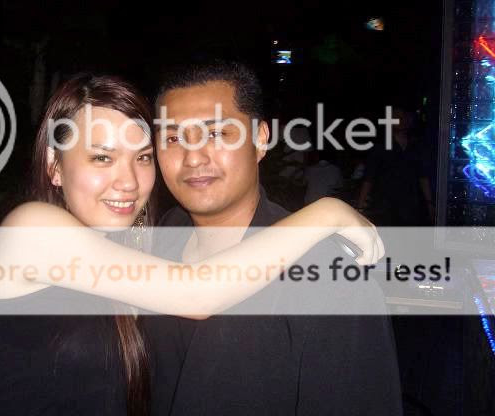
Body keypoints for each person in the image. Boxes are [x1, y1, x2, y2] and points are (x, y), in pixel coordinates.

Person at [0, 74, 383, 416]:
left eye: (142, 157)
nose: (128, 181)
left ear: (261, 139)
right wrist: (325, 213)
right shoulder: (31, 232)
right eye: (102, 158)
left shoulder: (147, 247)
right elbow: (196, 292)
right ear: (54, 166)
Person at [144, 60, 402, 415]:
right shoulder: (160, 238)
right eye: (173, 138)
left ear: (260, 139)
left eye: (216, 133)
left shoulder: (330, 277)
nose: (193, 157)